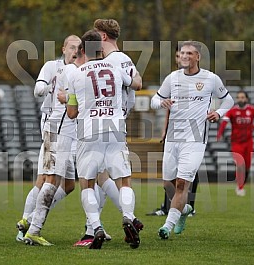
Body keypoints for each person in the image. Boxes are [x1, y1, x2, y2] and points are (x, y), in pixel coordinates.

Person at [67, 29, 142, 249]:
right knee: (124, 179)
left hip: (89, 130)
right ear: (101, 48)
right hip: (115, 127)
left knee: (87, 184)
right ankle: (128, 216)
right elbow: (135, 83)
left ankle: (96, 227)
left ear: (82, 50)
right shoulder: (115, 67)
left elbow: (72, 112)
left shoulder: (75, 74)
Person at [151, 40, 234, 239]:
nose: (185, 56)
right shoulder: (173, 78)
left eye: (190, 53)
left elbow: (228, 100)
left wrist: (219, 113)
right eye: (182, 53)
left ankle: (167, 226)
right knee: (168, 185)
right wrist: (161, 102)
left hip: (195, 139)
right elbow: (155, 99)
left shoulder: (210, 79)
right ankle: (184, 209)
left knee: (182, 184)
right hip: (173, 139)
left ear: (198, 57)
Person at [16, 35, 81, 242]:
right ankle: (29, 226)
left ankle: (30, 220)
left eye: (79, 48)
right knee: (47, 178)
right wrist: (43, 89)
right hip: (57, 128)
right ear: (63, 49)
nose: (75, 51)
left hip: (70, 131)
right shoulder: (56, 67)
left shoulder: (77, 70)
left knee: (69, 184)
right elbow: (40, 87)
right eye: (72, 47)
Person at [147, 48, 198, 217]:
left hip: (194, 134)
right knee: (169, 176)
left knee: (188, 174)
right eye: (178, 56)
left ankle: (188, 205)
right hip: (175, 134)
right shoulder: (174, 78)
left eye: (183, 55)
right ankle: (173, 206)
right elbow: (169, 107)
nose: (180, 58)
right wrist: (165, 130)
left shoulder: (201, 80)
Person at [217, 90, 254, 196]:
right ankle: (240, 187)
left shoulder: (252, 110)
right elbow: (224, 122)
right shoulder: (232, 111)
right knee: (240, 164)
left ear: (246, 99)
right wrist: (219, 134)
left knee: (247, 166)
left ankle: (241, 184)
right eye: (239, 97)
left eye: (242, 97)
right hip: (236, 142)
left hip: (248, 142)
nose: (240, 99)